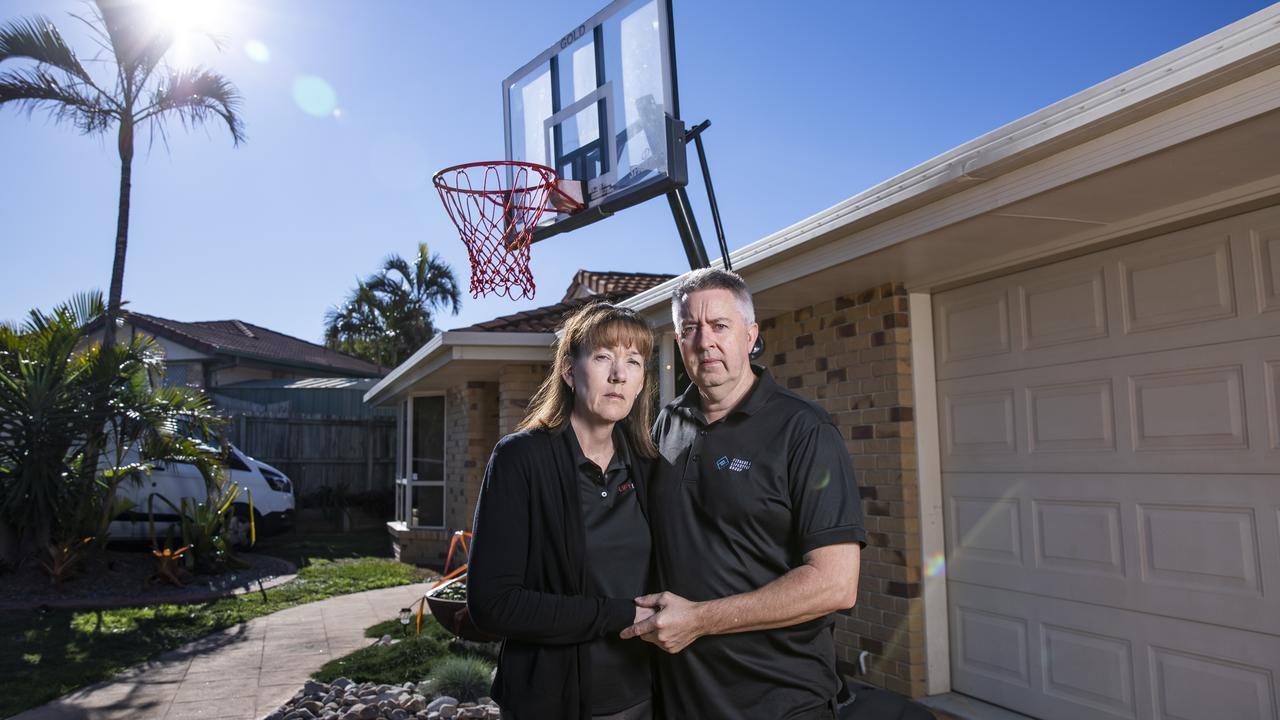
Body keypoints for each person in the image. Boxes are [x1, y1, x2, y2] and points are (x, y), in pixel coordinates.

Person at [622, 268, 866, 720]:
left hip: (780, 701)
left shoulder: (804, 431)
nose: (705, 341)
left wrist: (698, 619)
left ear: (751, 335)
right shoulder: (666, 425)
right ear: (678, 343)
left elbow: (836, 584)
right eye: (691, 329)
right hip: (681, 698)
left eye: (720, 326)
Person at [468, 302, 659, 720]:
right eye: (603, 357)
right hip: (551, 701)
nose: (618, 374)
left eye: (633, 361)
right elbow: (493, 604)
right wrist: (619, 614)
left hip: (642, 697)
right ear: (571, 372)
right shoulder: (521, 459)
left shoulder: (648, 467)